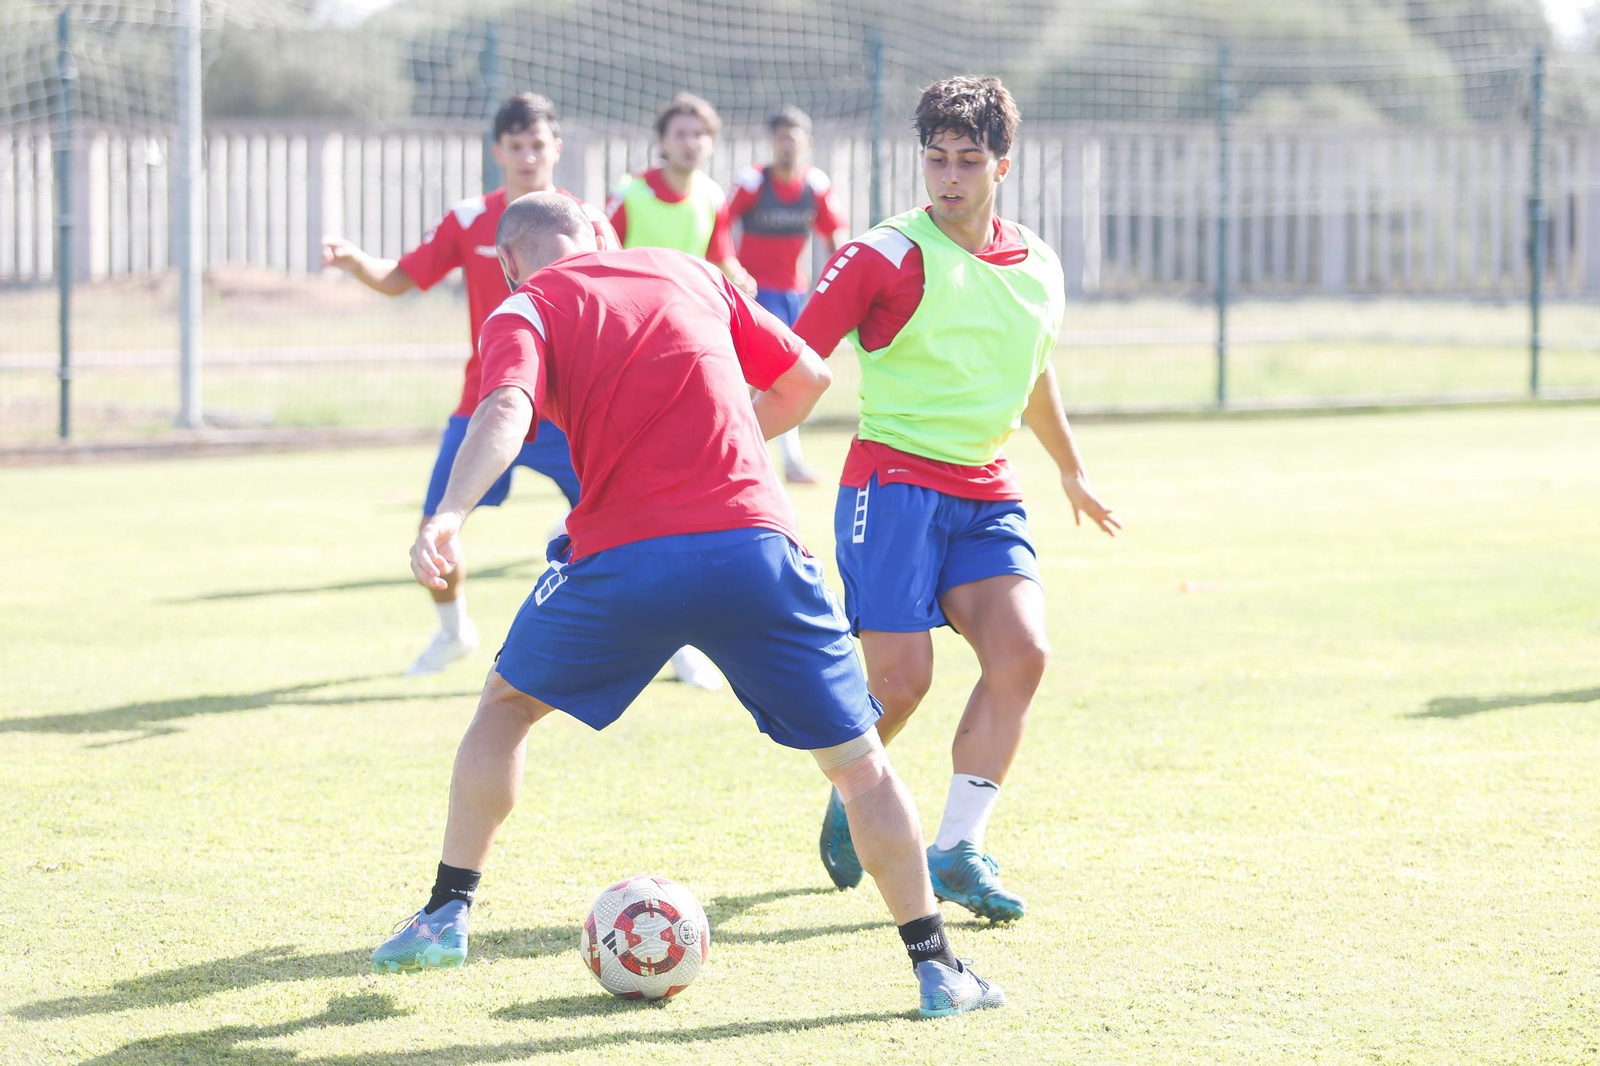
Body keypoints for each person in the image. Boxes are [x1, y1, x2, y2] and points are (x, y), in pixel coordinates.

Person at [368, 192, 1006, 1019]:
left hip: (624, 557)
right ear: (603, 233)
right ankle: (939, 970)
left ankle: (448, 914)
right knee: (858, 766)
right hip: (758, 549)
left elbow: (506, 408)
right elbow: (808, 377)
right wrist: (733, 431)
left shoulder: (524, 304)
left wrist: (449, 513)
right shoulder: (691, 271)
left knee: (508, 705)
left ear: (508, 262)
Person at [793, 76, 1121, 922]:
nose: (948, 176)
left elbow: (1031, 369)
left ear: (1001, 166)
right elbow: (792, 358)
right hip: (893, 484)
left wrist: (1070, 469)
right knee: (901, 685)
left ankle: (958, 848)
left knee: (1023, 655)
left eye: (968, 160)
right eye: (935, 158)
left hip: (985, 491)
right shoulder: (881, 255)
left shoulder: (1038, 264)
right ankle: (851, 789)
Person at [322, 93, 609, 677]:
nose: (528, 156)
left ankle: (676, 643)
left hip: (568, 407)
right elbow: (404, 277)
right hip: (489, 400)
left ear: (555, 148)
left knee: (629, 522)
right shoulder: (470, 219)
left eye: (538, 144)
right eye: (516, 145)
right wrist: (358, 264)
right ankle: (453, 633)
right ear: (498, 150)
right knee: (435, 525)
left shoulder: (588, 222)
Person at [728, 105, 851, 485]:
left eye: (793, 139)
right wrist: (731, 273)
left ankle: (758, 456)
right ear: (771, 143)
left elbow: (836, 237)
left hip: (792, 295)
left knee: (778, 377)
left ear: (807, 143)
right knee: (765, 376)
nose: (786, 147)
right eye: (780, 139)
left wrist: (844, 287)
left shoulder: (815, 185)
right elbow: (719, 226)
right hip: (751, 295)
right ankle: (770, 458)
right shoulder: (750, 183)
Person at [606, 93, 756, 295]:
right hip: (634, 311)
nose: (690, 143)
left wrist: (742, 282)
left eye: (698, 134)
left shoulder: (712, 196)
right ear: (663, 141)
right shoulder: (627, 194)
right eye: (680, 134)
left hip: (688, 308)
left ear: (711, 143)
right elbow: (602, 256)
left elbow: (722, 258)